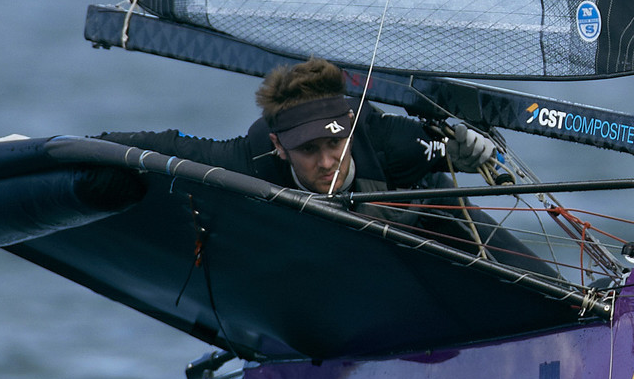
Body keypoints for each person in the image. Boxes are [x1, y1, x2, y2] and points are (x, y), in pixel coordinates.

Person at [101, 58, 554, 275]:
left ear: (350, 131)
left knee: (530, 275)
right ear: (280, 146)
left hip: (415, 221)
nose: (327, 162)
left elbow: (459, 151)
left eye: (336, 143)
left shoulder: (392, 142)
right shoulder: (248, 161)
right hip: (327, 260)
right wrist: (84, 147)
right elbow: (166, 147)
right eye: (308, 150)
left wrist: (469, 153)